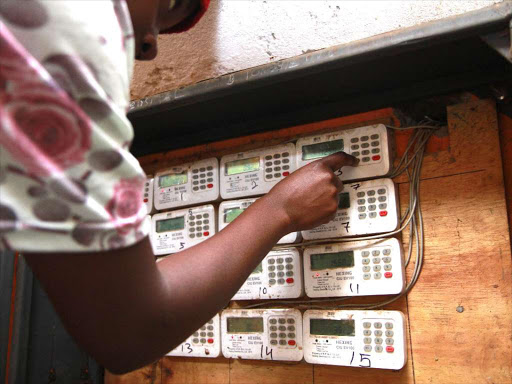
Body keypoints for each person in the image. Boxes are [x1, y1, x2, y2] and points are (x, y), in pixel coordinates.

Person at [0, 0, 358, 374]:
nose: (150, 45)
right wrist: (280, 211)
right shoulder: (72, 31)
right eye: (171, 4)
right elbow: (127, 333)